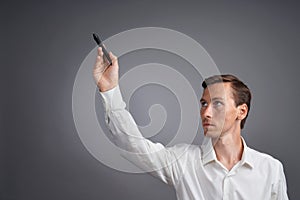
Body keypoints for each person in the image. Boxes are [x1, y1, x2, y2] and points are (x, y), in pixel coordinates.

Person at [93, 47, 289, 200]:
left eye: (218, 103)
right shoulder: (184, 161)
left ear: (242, 111)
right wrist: (110, 90)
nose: (207, 112)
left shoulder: (270, 169)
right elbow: (133, 145)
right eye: (204, 103)